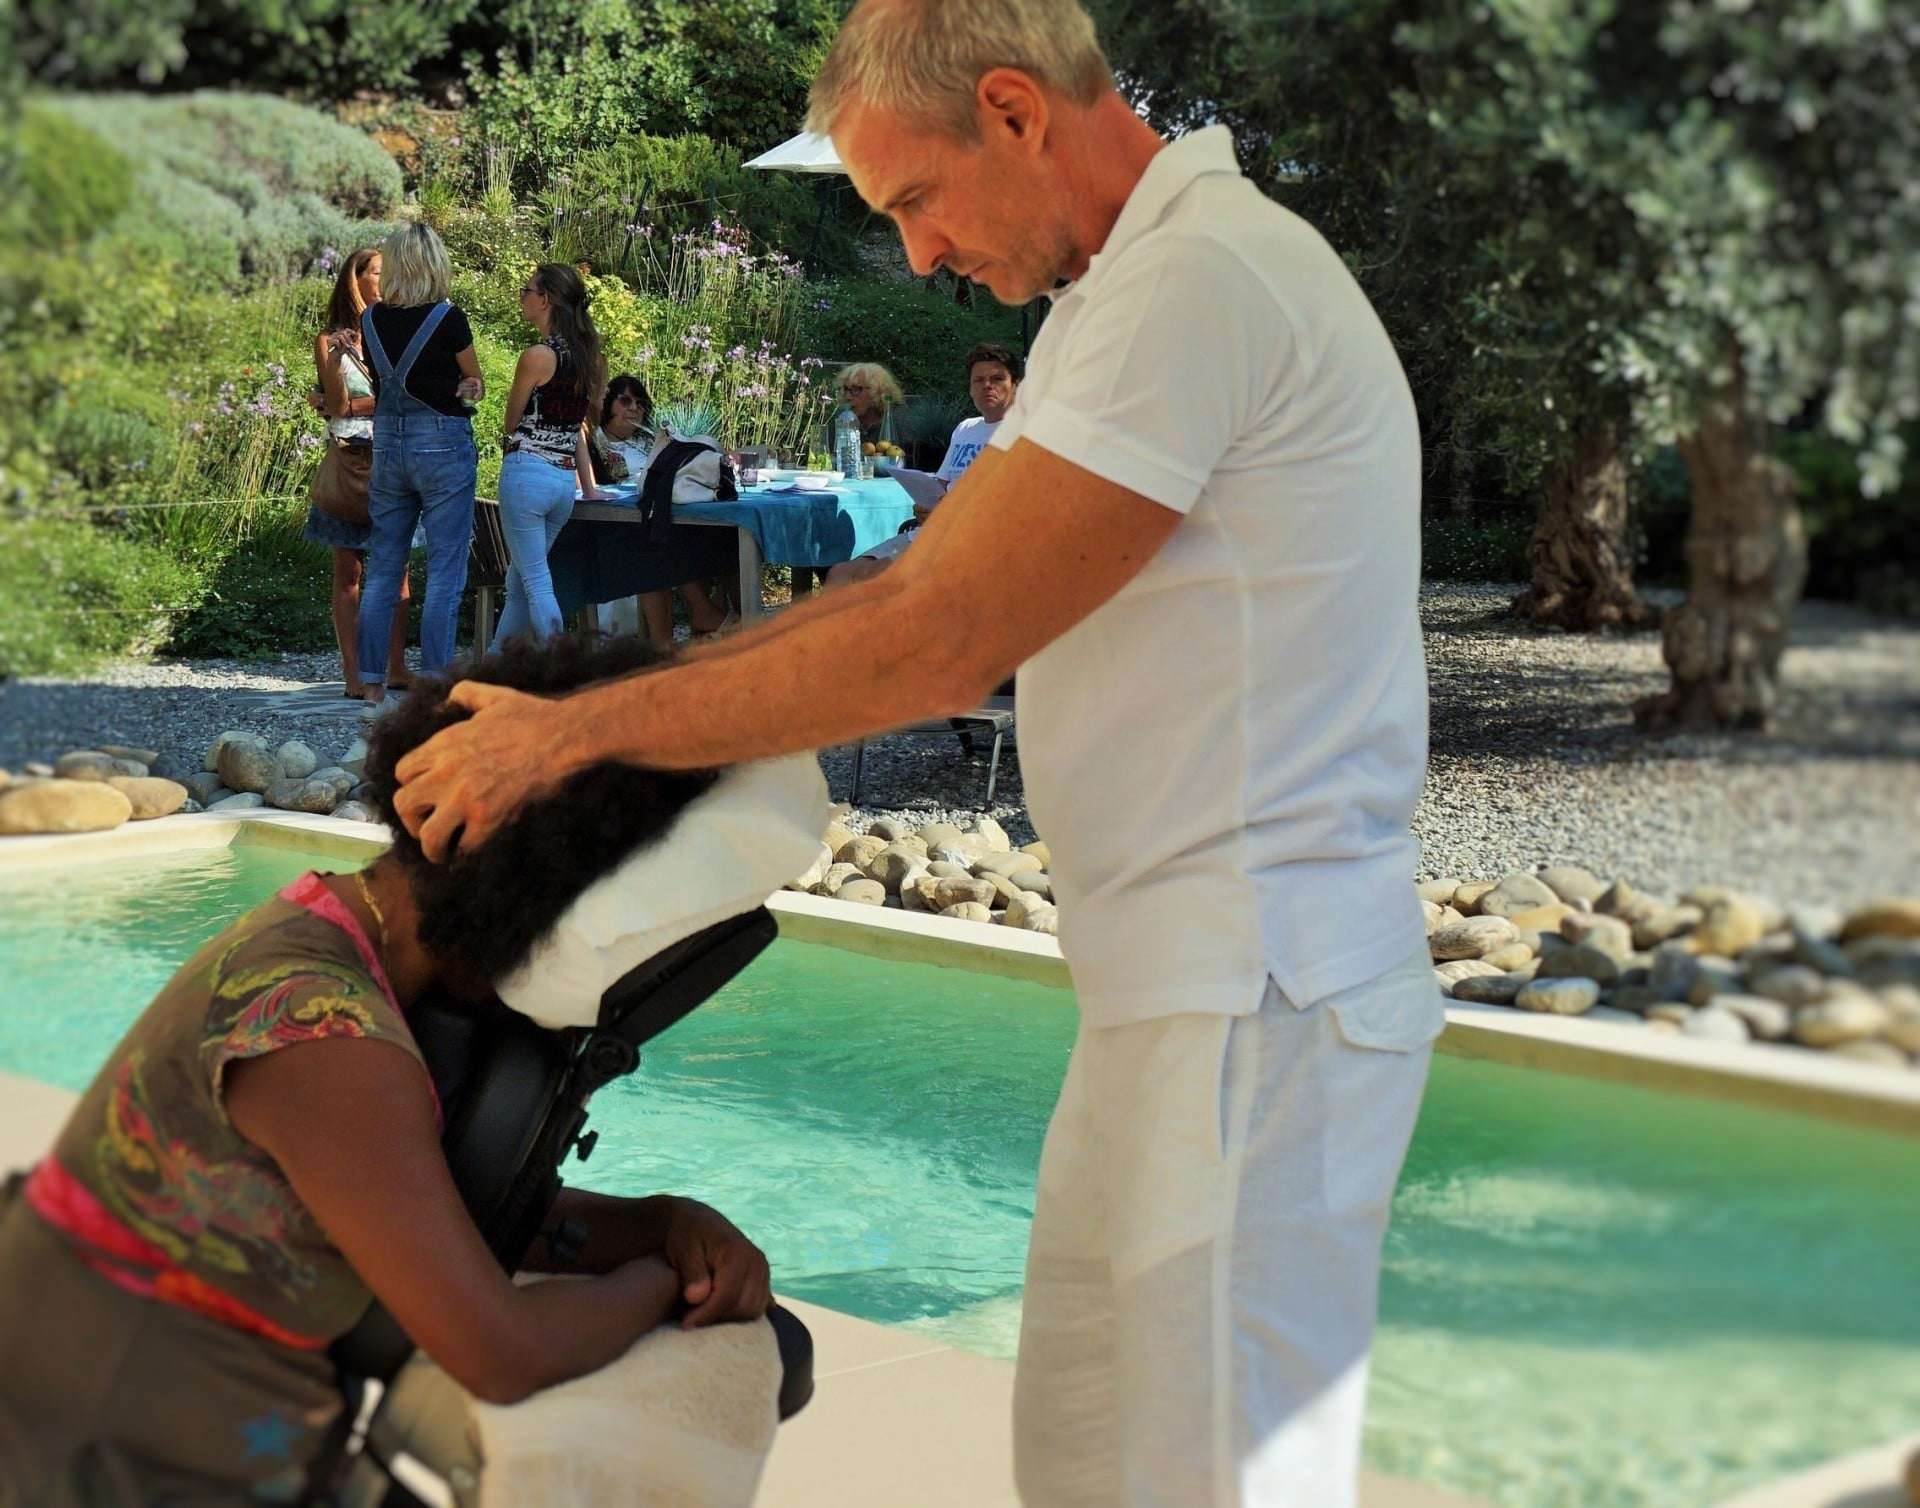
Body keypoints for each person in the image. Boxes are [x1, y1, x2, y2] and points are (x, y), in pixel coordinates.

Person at [390, 3, 1441, 1505]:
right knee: (1086, 1468)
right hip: (1182, 995)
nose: (920, 254)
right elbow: (909, 581)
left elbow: (940, 642)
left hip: (1253, 995)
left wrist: (575, 738)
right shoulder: (1117, 296)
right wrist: (610, 713)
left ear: (1014, 109)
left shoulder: (1200, 279)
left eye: (916, 200)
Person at [0, 634, 776, 1505]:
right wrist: (666, 1283)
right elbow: (500, 1352)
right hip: (105, 1457)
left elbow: (407, 1207)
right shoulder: (326, 1035)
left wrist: (660, 1222)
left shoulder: (336, 924)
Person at [355, 222, 483, 709]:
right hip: (442, 444)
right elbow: (473, 383)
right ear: (435, 264)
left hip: (388, 443)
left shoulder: (371, 319)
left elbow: (385, 381)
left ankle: (371, 686)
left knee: (383, 567)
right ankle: (434, 686)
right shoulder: (448, 317)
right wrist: (466, 389)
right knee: (446, 569)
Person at [304, 247, 414, 698]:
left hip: (394, 457)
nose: (387, 281)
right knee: (348, 571)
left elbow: (406, 395)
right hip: (351, 461)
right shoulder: (329, 340)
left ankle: (396, 667)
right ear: (357, 279)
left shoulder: (398, 331)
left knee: (399, 571)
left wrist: (351, 405)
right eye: (379, 273)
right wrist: (344, 399)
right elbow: (335, 404)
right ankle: (353, 672)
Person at [826, 341, 1020, 587]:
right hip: (930, 533)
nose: (987, 385)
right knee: (840, 574)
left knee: (873, 579)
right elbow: (941, 485)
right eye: (978, 380)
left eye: (997, 379)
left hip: (973, 540)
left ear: (1016, 386)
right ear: (970, 389)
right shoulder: (966, 429)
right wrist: (925, 506)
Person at [496, 263, 614, 646]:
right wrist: (588, 487)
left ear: (545, 300)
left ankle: (560, 661)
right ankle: (496, 661)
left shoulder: (538, 356)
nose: (522, 298)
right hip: (562, 482)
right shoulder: (586, 357)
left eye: (526, 291)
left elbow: (510, 422)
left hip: (527, 474)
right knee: (521, 580)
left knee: (535, 581)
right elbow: (578, 429)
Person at [589, 373, 733, 646]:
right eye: (625, 401)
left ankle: (697, 623)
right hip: (610, 525)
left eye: (640, 403)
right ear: (608, 404)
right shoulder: (593, 443)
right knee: (657, 541)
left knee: (699, 537)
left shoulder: (651, 442)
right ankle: (692, 621)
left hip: (648, 518)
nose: (634, 409)